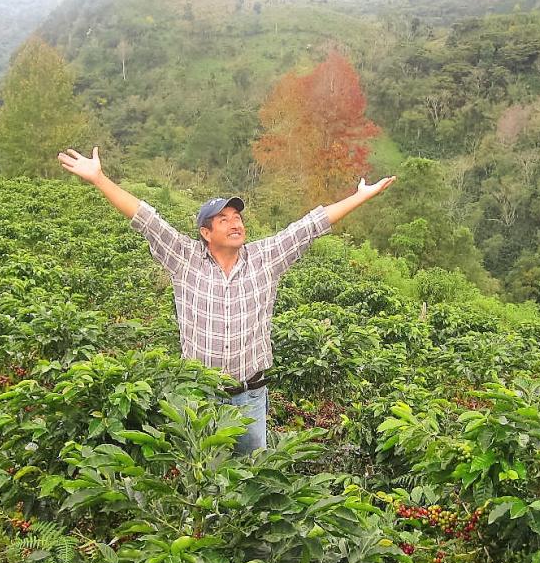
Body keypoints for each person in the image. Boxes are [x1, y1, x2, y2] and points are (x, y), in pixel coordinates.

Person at [57, 146, 396, 454]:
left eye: (238, 218)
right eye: (224, 220)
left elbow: (310, 225)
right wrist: (99, 179)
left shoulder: (265, 258)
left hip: (250, 395)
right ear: (206, 233)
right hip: (201, 396)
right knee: (204, 477)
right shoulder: (185, 259)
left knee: (252, 479)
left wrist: (360, 197)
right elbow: (147, 220)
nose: (235, 224)